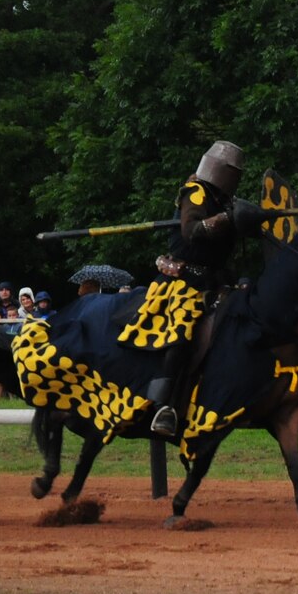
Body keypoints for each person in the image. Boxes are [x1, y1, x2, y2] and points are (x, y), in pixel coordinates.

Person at [119, 140, 258, 437]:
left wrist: (252, 219)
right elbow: (191, 231)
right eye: (233, 171)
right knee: (182, 331)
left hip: (219, 283)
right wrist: (226, 219)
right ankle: (163, 406)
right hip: (184, 283)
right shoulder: (195, 192)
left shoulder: (225, 201)